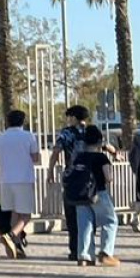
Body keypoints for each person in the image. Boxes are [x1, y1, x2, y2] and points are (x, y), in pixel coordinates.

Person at [67, 125, 120, 267]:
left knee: (85, 225)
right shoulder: (101, 157)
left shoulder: (79, 157)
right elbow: (108, 178)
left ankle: (84, 256)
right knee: (110, 221)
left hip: (81, 196)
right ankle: (106, 253)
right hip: (98, 193)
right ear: (99, 141)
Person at [0, 110, 41, 259]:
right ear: (23, 121)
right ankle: (11, 236)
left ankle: (16, 248)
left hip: (6, 179)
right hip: (23, 178)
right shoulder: (28, 136)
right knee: (25, 214)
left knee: (13, 212)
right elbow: (36, 157)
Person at [49, 105, 92, 260]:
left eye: (69, 117)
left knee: (72, 215)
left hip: (71, 177)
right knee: (88, 214)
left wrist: (50, 171)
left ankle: (75, 250)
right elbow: (104, 146)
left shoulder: (66, 133)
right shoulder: (91, 132)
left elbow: (56, 152)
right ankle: (87, 248)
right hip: (89, 177)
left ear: (73, 117)